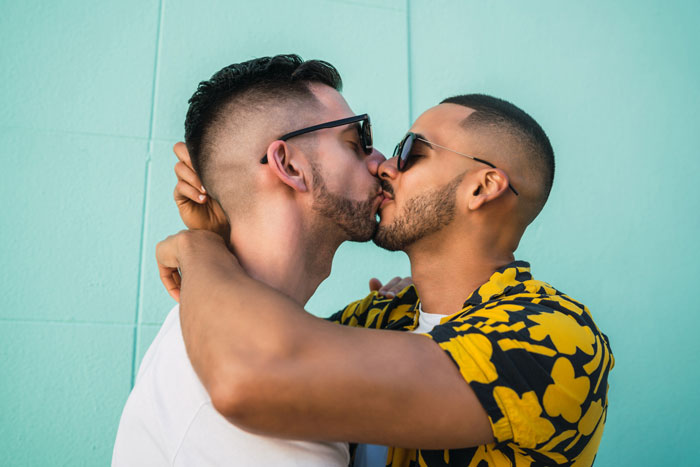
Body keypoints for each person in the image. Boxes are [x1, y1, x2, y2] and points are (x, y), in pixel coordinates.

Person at [156, 93, 614, 466]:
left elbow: (258, 371)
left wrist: (198, 249)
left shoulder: (556, 337)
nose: (385, 166)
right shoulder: (384, 313)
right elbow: (254, 328)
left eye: (412, 152)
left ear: (482, 187)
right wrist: (225, 226)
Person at [112, 54, 410, 466]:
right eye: (357, 141)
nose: (380, 163)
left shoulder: (219, 333)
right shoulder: (255, 400)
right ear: (289, 165)